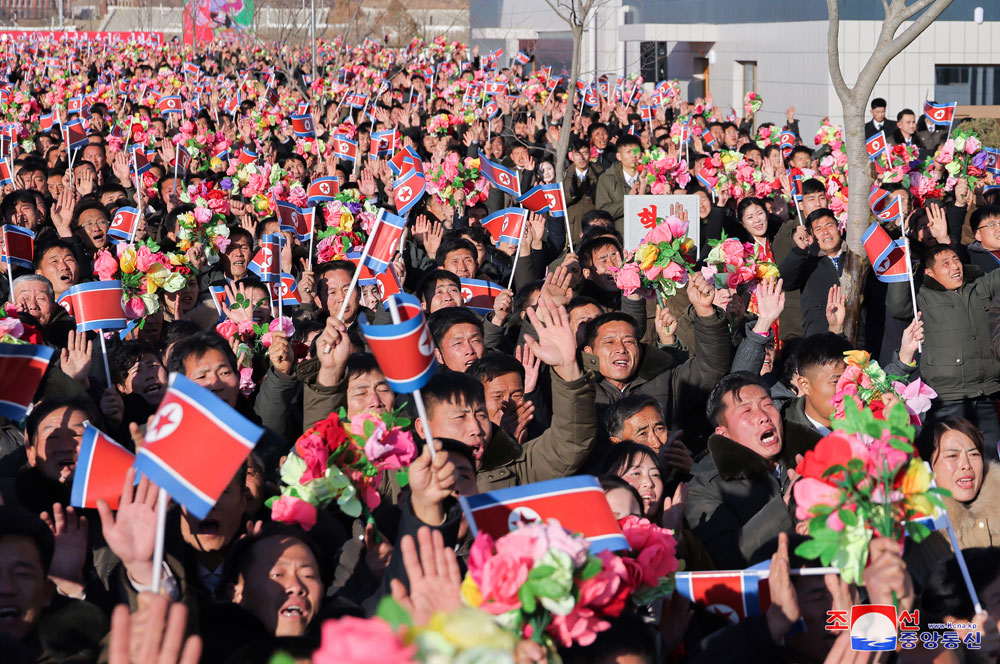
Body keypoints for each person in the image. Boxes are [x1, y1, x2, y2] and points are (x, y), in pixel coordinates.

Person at [686, 372, 816, 568]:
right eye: (746, 411)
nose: (764, 417)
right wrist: (785, 505)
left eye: (767, 405)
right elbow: (724, 557)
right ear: (724, 434)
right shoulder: (705, 485)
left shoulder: (814, 455)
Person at [891, 244, 1000, 458]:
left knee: (991, 464)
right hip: (949, 398)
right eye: (946, 263)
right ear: (929, 273)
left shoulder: (979, 285)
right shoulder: (922, 295)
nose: (955, 266)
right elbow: (897, 306)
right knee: (956, 458)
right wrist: (903, 270)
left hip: (986, 393)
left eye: (956, 259)